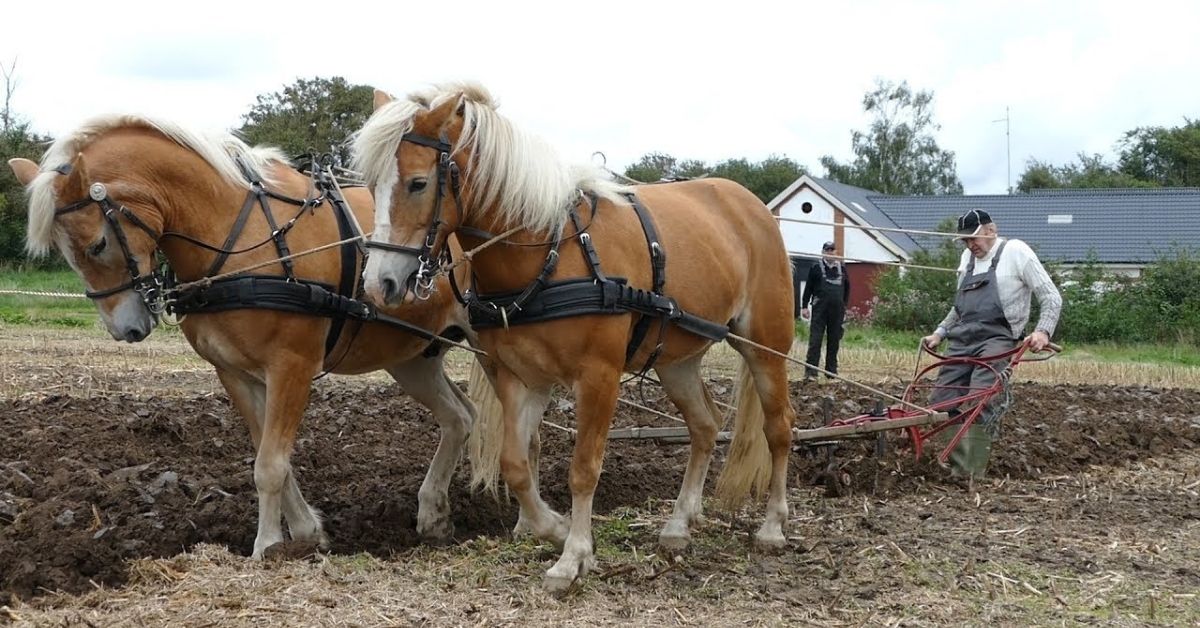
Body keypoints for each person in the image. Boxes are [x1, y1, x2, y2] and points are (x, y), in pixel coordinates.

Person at [921, 209, 1062, 480]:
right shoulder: (967, 259)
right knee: (941, 401)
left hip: (998, 338)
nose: (970, 245)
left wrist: (1043, 331)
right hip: (963, 338)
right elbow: (958, 308)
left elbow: (1051, 296)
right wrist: (939, 332)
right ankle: (954, 464)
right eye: (965, 240)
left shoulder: (1016, 251)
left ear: (991, 230)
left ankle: (971, 470)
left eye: (974, 238)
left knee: (980, 397)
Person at [801, 241, 850, 381]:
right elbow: (808, 288)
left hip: (837, 311)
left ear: (836, 252)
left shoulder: (843, 268)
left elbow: (847, 289)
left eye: (832, 250)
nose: (830, 252)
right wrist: (804, 306)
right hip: (819, 310)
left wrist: (844, 306)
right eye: (827, 250)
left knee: (834, 341)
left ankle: (831, 372)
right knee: (815, 340)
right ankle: (811, 373)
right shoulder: (816, 268)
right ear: (823, 252)